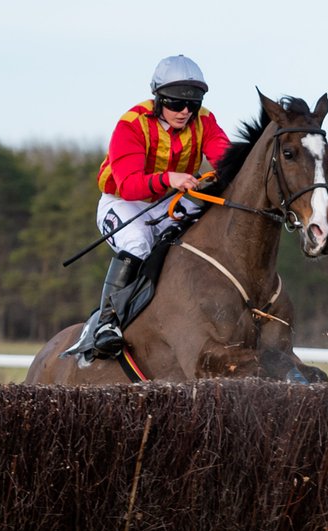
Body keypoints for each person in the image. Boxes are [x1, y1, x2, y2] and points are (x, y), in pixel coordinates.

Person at [90, 54, 231, 356]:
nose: (185, 112)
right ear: (158, 99)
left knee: (208, 234)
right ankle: (107, 323)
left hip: (167, 200)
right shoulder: (132, 124)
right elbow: (129, 185)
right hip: (124, 201)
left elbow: (227, 159)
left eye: (192, 104)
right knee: (137, 242)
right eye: (176, 104)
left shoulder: (204, 120)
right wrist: (169, 178)